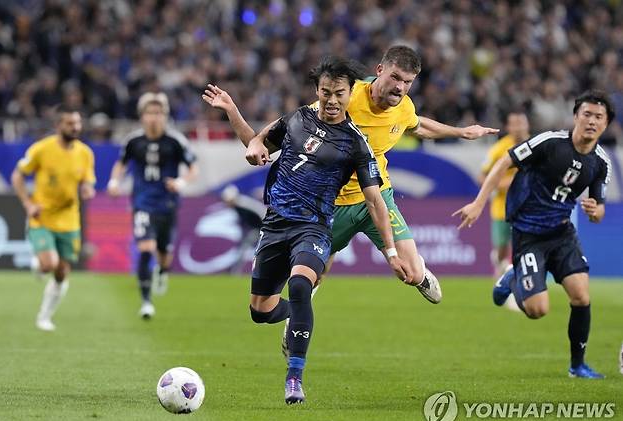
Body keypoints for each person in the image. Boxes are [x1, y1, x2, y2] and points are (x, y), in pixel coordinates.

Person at [203, 45, 498, 303]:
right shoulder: (344, 97)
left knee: (411, 272)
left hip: (375, 197)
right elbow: (296, 124)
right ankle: (298, 319)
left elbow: (417, 125)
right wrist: (254, 136)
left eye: (407, 82)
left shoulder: (403, 106)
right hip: (330, 205)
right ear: (379, 70)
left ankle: (419, 272)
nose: (400, 87)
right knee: (310, 280)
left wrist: (461, 132)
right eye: (395, 78)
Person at [242, 56, 406, 404]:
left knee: (301, 284)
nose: (332, 100)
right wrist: (234, 115)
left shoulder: (356, 143)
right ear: (317, 91)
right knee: (260, 311)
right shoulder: (298, 118)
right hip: (274, 225)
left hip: (314, 227)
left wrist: (391, 252)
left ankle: (294, 379)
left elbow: (376, 201)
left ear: (351, 94)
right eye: (326, 92)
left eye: (339, 94)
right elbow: (258, 144)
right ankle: (297, 314)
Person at [453, 90, 614, 379]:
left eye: (598, 117)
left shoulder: (600, 163)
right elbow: (505, 161)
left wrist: (595, 211)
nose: (591, 121)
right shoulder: (550, 142)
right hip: (528, 233)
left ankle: (577, 365)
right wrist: (479, 203)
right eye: (586, 114)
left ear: (606, 124)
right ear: (576, 116)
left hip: (562, 233)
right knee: (538, 310)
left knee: (581, 296)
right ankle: (513, 276)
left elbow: (600, 209)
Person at [107, 92, 199, 319]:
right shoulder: (133, 141)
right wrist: (114, 181)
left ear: (165, 116)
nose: (154, 117)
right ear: (142, 116)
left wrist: (180, 182)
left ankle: (163, 270)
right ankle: (146, 302)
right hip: (142, 202)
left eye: (158, 113)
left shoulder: (175, 141)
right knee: (146, 249)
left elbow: (193, 168)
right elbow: (120, 164)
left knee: (164, 253)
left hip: (167, 203)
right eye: (150, 113)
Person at [11, 105, 96, 331]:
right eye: (70, 123)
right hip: (42, 217)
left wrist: (87, 189)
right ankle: (40, 264)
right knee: (50, 264)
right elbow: (18, 175)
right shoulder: (41, 149)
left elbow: (87, 180)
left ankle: (44, 316)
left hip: (69, 220)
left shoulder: (85, 153)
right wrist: (27, 204)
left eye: (77, 123)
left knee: (62, 272)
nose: (75, 127)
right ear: (58, 125)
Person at [480, 110, 530, 278]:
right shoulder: (498, 149)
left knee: (524, 246)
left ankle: (520, 278)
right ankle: (500, 263)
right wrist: (504, 184)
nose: (518, 128)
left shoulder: (536, 145)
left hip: (528, 207)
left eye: (521, 123)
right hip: (503, 208)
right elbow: (482, 177)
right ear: (508, 127)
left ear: (527, 125)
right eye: (514, 124)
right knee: (501, 247)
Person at [220, 184, 267, 274]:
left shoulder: (243, 204)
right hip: (257, 228)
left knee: (252, 248)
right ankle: (235, 270)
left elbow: (261, 213)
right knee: (244, 247)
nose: (227, 203)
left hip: (263, 228)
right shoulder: (237, 206)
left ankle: (235, 271)